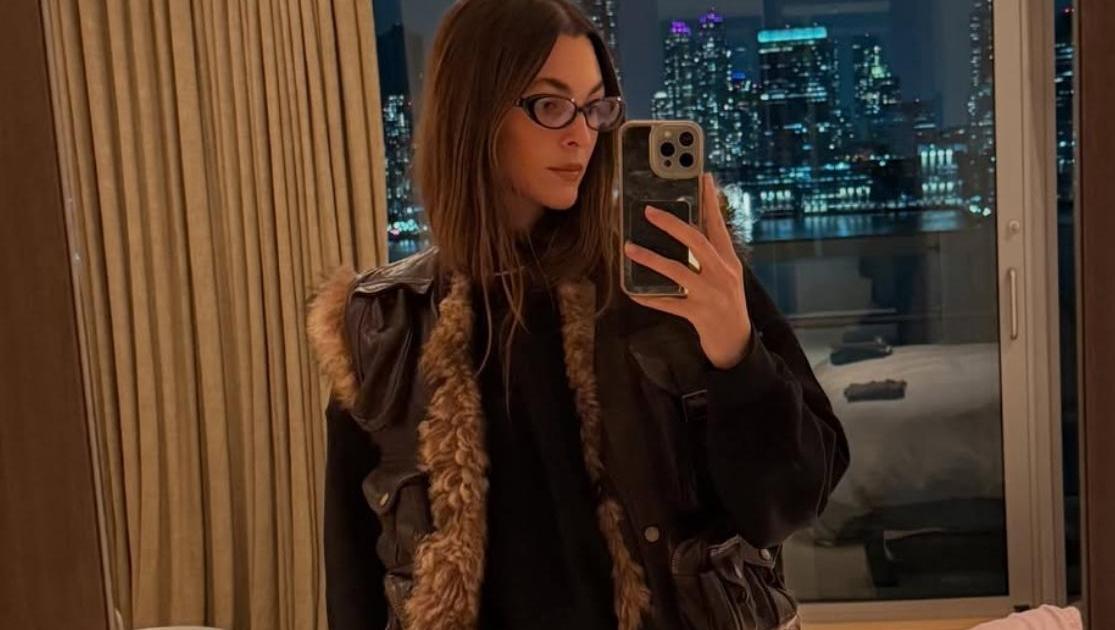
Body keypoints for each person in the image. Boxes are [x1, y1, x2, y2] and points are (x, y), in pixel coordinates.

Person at [307, 1, 849, 628]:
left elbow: (791, 502)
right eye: (551, 104)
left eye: (595, 107)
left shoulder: (669, 274)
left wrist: (736, 349)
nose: (581, 134)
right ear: (474, 112)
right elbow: (354, 579)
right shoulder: (384, 323)